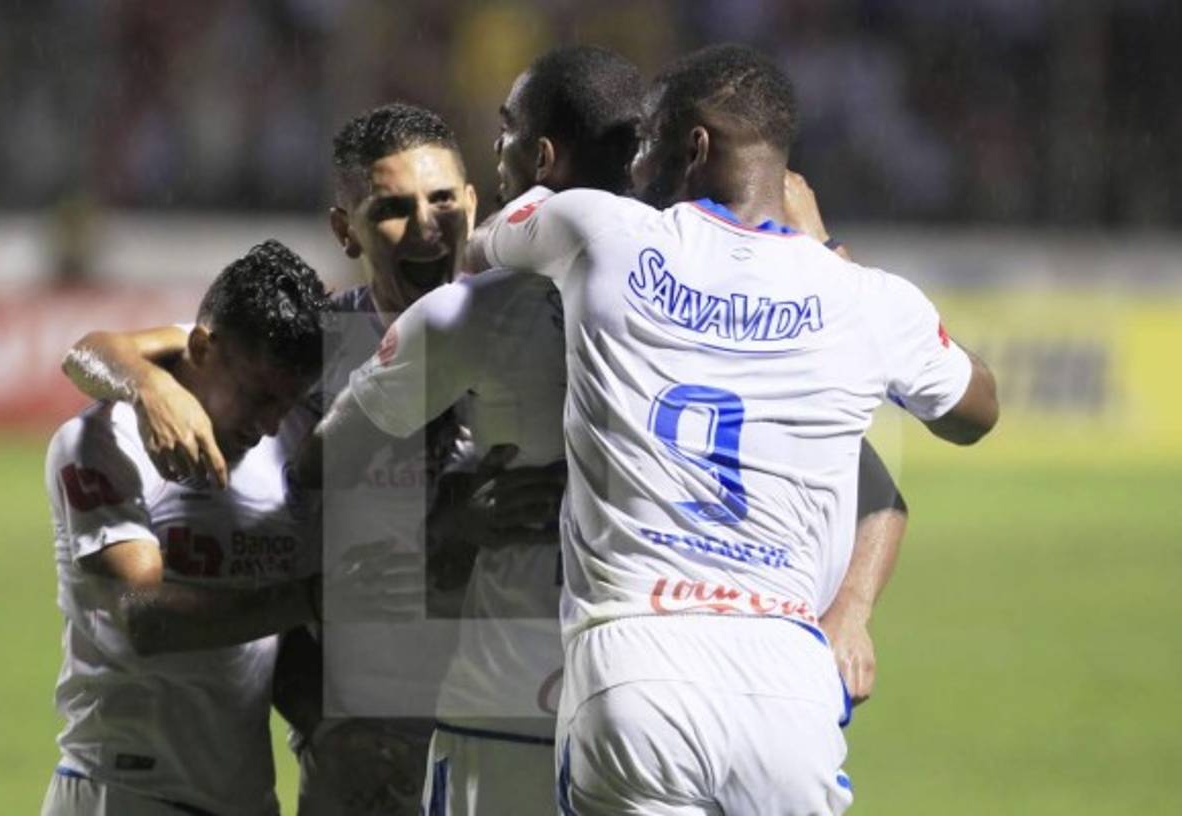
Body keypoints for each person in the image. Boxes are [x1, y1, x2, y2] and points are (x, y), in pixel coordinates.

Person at [316, 45, 910, 815]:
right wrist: (850, 615)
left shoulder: (475, 312)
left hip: (517, 718)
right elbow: (877, 489)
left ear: (539, 157)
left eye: (505, 131)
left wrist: (442, 522)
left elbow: (330, 460)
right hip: (681, 704)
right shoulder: (724, 311)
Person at [466, 44, 999, 814]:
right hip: (787, 680)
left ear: (694, 147)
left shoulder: (601, 231)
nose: (636, 167)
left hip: (637, 659)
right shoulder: (864, 299)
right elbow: (976, 410)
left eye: (647, 144)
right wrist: (827, 253)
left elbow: (482, 244)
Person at [61, 104, 481, 815]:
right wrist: (152, 387)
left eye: (442, 200)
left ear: (472, 204)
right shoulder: (314, 347)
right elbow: (94, 351)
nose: (425, 225)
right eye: (392, 208)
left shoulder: (524, 325)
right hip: (362, 742)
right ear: (345, 230)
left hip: (505, 713)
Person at [41, 240, 329, 816]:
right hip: (120, 795)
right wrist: (316, 597)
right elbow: (144, 617)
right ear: (200, 348)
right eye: (257, 397)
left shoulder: (293, 440)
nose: (271, 423)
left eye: (286, 402)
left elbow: (272, 646)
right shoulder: (105, 442)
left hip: (245, 799)